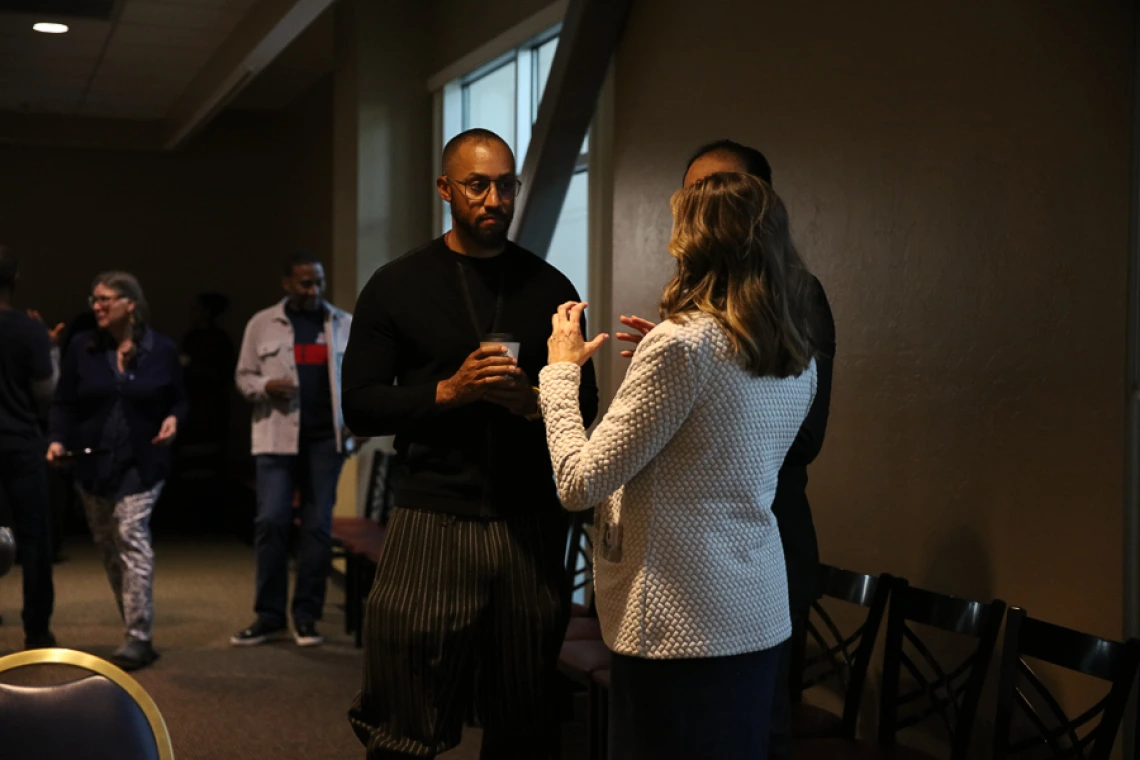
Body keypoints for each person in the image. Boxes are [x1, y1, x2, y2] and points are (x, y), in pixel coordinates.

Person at [539, 171, 819, 759]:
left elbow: (578, 482)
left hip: (677, 626)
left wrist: (561, 373)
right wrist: (661, 364)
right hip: (757, 614)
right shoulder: (796, 355)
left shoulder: (684, 345)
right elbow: (722, 448)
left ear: (693, 245)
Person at [343, 127, 599, 759]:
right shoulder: (397, 284)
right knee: (405, 703)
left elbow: (585, 409)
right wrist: (448, 392)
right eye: (477, 185)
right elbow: (360, 406)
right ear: (445, 189)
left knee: (525, 711)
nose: (493, 200)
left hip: (530, 522)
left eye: (504, 185)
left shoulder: (550, 289)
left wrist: (532, 404)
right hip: (432, 513)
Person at [616, 139, 836, 758]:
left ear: (759, 203)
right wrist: (684, 380)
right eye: (692, 194)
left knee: (751, 734)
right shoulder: (692, 322)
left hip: (758, 549)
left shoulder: (798, 296)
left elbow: (803, 434)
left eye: (721, 191)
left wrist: (701, 388)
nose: (703, 207)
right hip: (682, 570)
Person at [48, 271, 187, 670]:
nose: (97, 306)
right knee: (110, 548)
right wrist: (57, 438)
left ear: (131, 303)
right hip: (93, 462)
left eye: (106, 299)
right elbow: (64, 402)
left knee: (130, 534)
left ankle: (138, 636)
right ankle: (134, 627)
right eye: (94, 300)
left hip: (143, 463)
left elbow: (180, 399)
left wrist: (174, 419)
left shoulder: (160, 349)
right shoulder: (83, 347)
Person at [231, 253, 354, 648]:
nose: (314, 290)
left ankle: (306, 617)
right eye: (305, 283)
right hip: (276, 438)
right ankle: (269, 617)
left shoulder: (341, 324)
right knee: (271, 521)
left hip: (324, 441)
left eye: (318, 282)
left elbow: (358, 381)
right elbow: (244, 375)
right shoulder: (262, 323)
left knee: (317, 528)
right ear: (287, 284)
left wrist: (359, 425)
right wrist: (265, 387)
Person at [0, 246, 59, 649]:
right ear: (14, 281)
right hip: (19, 441)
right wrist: (48, 346)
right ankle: (36, 629)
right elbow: (46, 391)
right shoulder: (28, 329)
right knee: (35, 539)